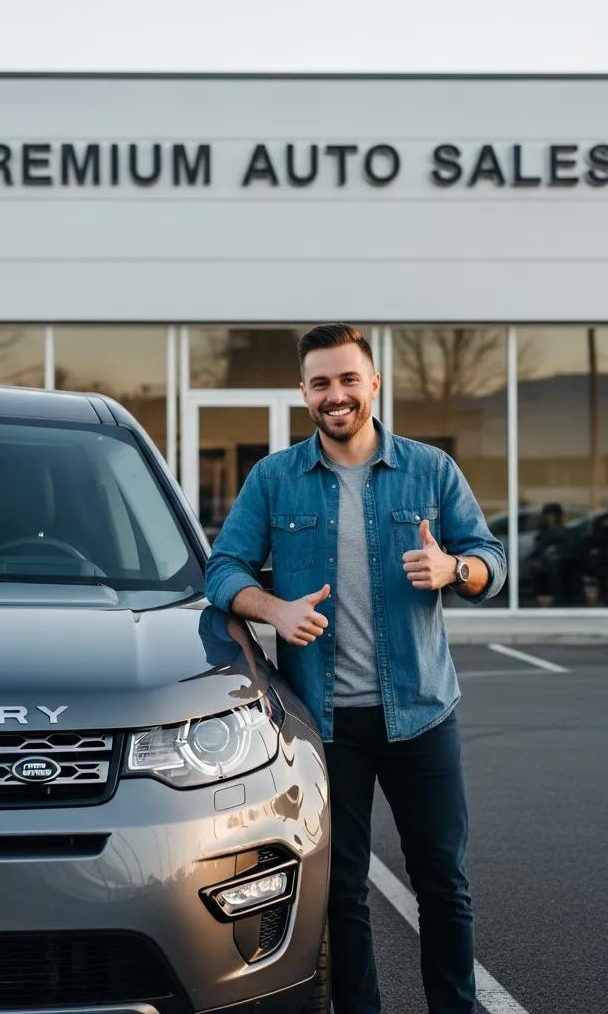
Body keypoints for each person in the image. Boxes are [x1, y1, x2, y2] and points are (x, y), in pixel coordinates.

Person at [205, 323, 507, 1014]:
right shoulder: (274, 480)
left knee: (443, 885)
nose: (335, 395)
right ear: (304, 393)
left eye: (348, 379)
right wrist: (273, 610)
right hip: (325, 726)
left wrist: (455, 568)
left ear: (373, 384)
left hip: (423, 714)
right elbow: (223, 569)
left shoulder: (430, 470)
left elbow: (491, 559)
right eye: (320, 383)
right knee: (340, 892)